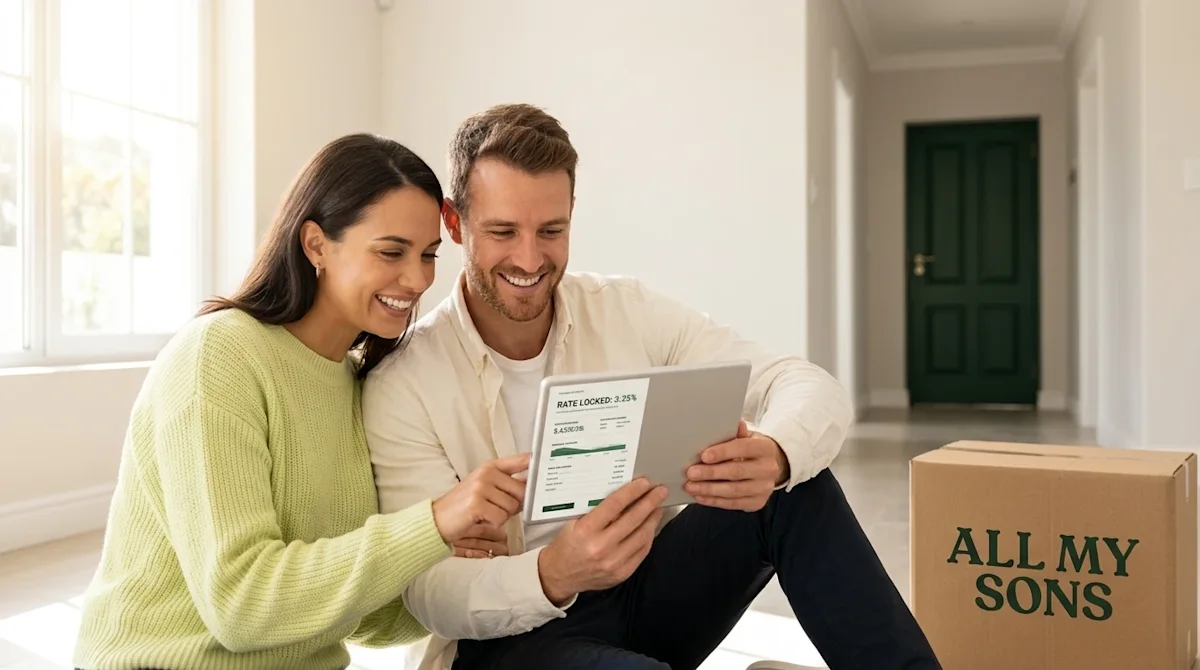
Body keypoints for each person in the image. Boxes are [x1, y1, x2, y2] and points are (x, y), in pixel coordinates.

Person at [361, 104, 941, 670]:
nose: (530, 258)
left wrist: (777, 455)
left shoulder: (624, 310)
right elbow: (429, 592)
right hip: (506, 643)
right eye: (503, 231)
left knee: (792, 485)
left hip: (646, 591)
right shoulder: (405, 383)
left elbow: (803, 383)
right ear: (455, 223)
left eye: (552, 230)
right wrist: (553, 572)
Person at [72, 133, 529, 670]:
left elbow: (361, 621)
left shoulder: (357, 379)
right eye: (391, 251)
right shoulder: (217, 356)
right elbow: (241, 606)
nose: (417, 278)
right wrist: (430, 523)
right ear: (316, 245)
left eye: (428, 254)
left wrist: (442, 558)